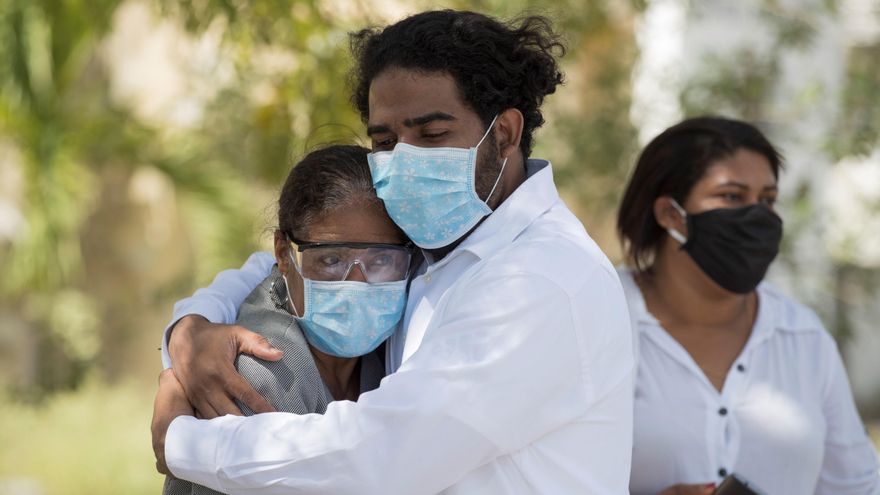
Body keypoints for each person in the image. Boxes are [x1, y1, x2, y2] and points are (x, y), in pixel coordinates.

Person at [152, 9, 634, 494]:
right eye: (385, 140)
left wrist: (186, 441)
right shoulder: (444, 233)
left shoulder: (542, 279)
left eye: (432, 135)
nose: (405, 160)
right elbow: (292, 259)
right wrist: (191, 328)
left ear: (504, 134)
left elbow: (380, 457)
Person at [616, 116, 880, 495]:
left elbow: (858, 485)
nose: (756, 216)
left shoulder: (801, 335)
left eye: (768, 200)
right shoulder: (601, 318)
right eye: (732, 196)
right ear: (670, 214)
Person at [161, 144, 412, 495]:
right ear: (284, 253)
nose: (357, 285)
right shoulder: (257, 378)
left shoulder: (385, 351)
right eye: (331, 260)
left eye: (381, 260)